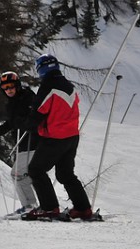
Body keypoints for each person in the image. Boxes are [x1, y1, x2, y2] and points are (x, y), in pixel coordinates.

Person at [22, 54, 95, 221]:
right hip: (72, 137)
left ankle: (49, 208)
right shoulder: (69, 86)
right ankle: (83, 209)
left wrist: (28, 124)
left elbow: (39, 110)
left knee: (36, 170)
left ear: (41, 69)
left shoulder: (48, 86)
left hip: (55, 138)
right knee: (65, 174)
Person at [0, 71, 39, 215]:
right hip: (24, 143)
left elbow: (33, 118)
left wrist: (23, 122)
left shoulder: (28, 98)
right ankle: (32, 206)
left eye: (11, 86)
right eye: (5, 87)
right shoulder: (13, 102)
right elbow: (12, 122)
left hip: (33, 141)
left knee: (17, 174)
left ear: (17, 85)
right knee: (25, 175)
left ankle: (30, 206)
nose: (8, 90)